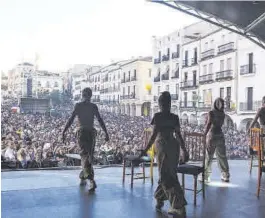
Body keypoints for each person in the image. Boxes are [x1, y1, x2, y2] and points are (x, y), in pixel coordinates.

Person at [140, 91, 188, 216]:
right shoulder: (174, 117)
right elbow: (178, 135)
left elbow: (154, 135)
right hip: (174, 147)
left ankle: (178, 206)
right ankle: (159, 199)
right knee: (168, 173)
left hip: (162, 147)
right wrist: (184, 150)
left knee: (166, 176)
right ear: (170, 103)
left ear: (160, 103)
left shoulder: (158, 116)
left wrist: (145, 150)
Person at [62, 87, 109, 191]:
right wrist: (106, 132)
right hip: (91, 133)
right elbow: (100, 120)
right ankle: (83, 177)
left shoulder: (78, 105)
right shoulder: (93, 106)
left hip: (82, 132)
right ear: (91, 95)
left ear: (82, 95)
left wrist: (64, 131)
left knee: (84, 156)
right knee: (89, 156)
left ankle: (91, 180)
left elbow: (71, 119)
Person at [204, 98, 230, 183]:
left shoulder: (211, 113)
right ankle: (225, 175)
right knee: (222, 156)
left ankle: (206, 176)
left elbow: (208, 125)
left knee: (209, 156)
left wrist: (204, 134)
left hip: (212, 136)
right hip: (220, 136)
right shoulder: (222, 114)